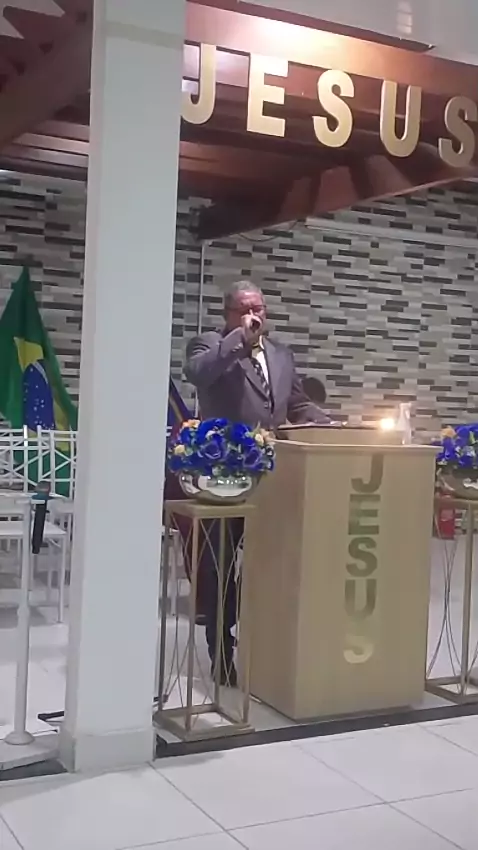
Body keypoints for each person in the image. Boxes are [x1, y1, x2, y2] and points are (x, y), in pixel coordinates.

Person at [184, 280, 331, 685]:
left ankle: (266, 646)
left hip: (276, 474)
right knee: (221, 566)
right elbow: (198, 374)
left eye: (259, 308)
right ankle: (221, 651)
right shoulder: (210, 345)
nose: (254, 316)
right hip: (226, 476)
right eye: (245, 309)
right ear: (229, 313)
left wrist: (329, 424)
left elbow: (297, 404)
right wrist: (238, 341)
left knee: (271, 564)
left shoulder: (281, 354)